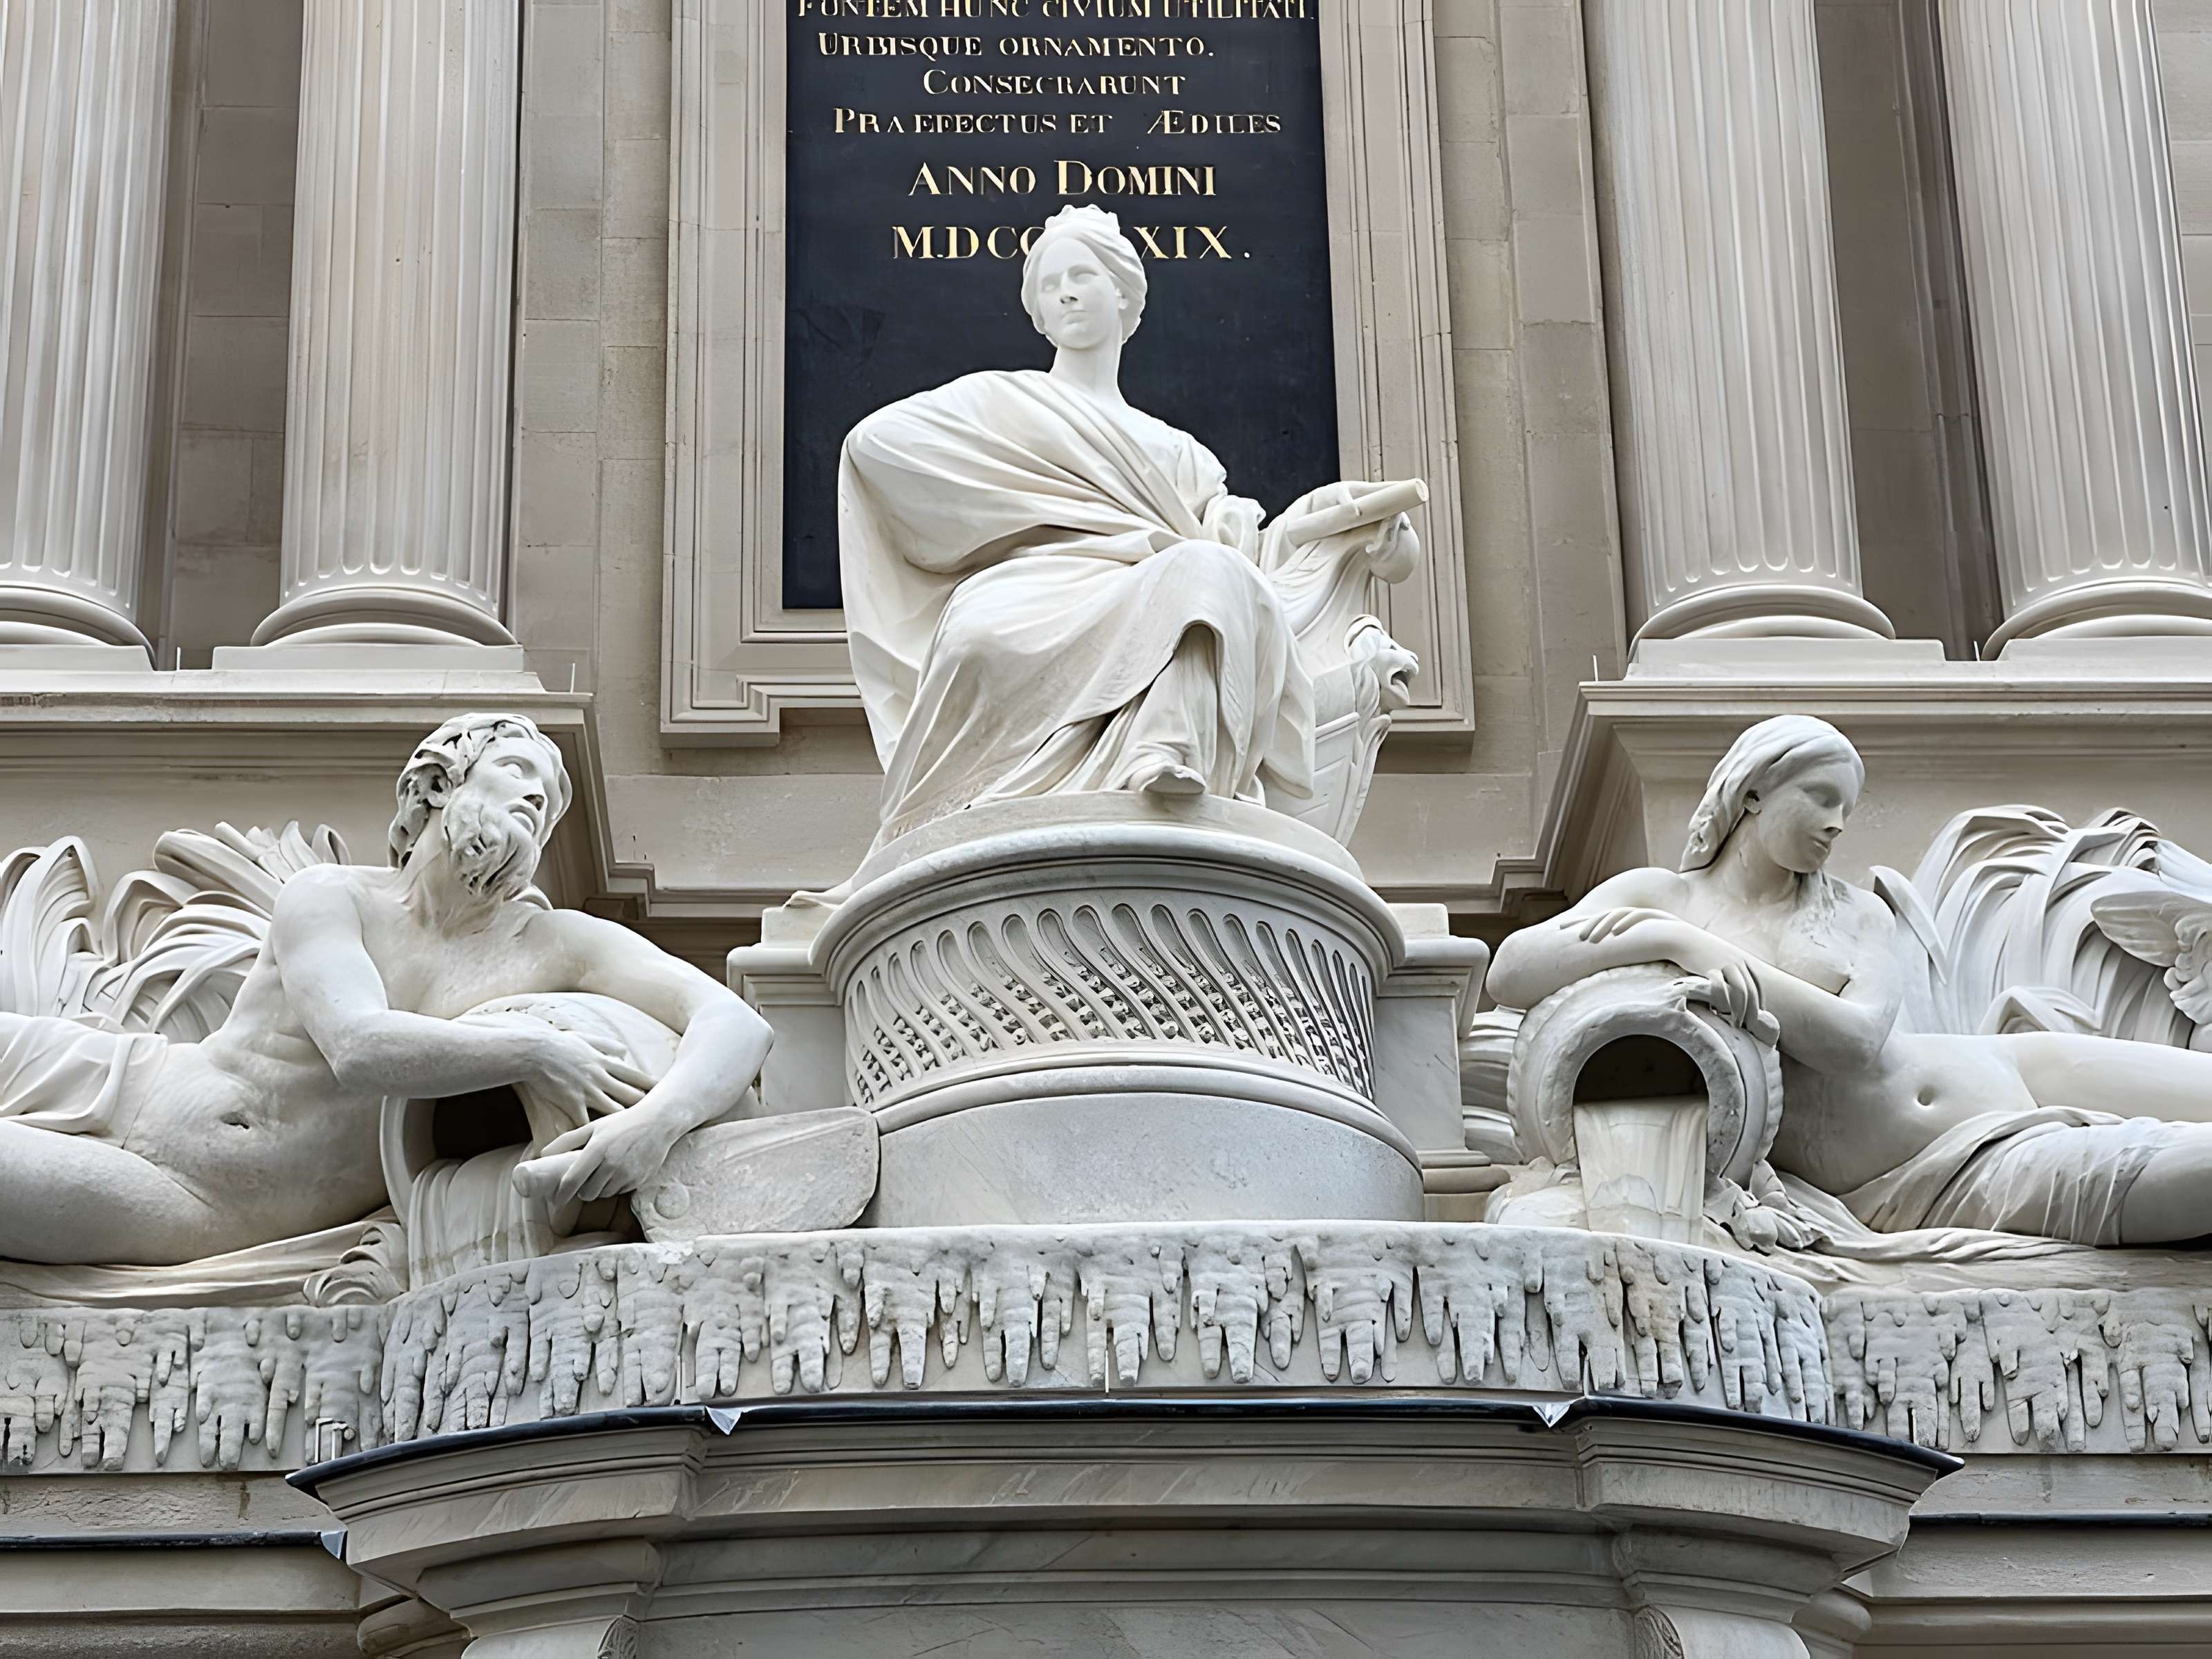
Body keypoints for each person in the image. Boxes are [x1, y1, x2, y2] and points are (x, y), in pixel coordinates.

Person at [0, 713, 771, 1266]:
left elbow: (734, 1023)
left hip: (201, 1207)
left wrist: (655, 1125)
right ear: (437, 783)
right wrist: (538, 1052)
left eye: (550, 798)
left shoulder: (554, 945)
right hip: (123, 1081)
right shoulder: (331, 895)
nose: (539, 801)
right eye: (517, 774)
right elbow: (357, 1046)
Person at [1487, 715, 2212, 1247]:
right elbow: (1511, 971)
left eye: (1847, 809)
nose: (1837, 825)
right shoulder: (1657, 896)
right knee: (2184, 1175)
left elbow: (1856, 1040)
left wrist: (1697, 952)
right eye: (1821, 798)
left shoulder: (1855, 914)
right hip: (1948, 1171)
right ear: (1751, 794)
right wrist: (1665, 936)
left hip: (2013, 1066)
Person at [838, 204, 1418, 843]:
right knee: (990, 630)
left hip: (1162, 585)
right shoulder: (1001, 402)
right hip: (1033, 584)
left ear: (1121, 292)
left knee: (1207, 571)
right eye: (1048, 284)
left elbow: (1244, 560)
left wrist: (1327, 525)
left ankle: (1163, 751)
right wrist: (1039, 502)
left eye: (1080, 275)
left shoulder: (1181, 454)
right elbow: (873, 446)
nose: (1064, 293)